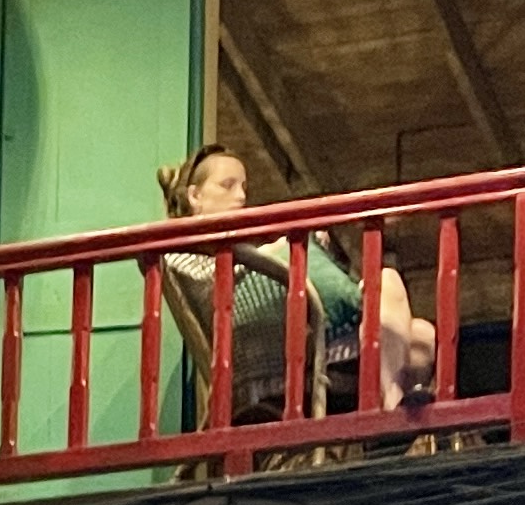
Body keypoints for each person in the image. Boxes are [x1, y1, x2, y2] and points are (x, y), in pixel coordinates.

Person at [160, 143, 434, 416]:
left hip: (308, 335)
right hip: (283, 356)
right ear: (195, 195)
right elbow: (222, 283)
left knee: (420, 332)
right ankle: (389, 408)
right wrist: (287, 248)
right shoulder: (182, 254)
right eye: (227, 185)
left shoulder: (246, 254)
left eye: (243, 187)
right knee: (397, 307)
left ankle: (390, 402)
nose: (241, 196)